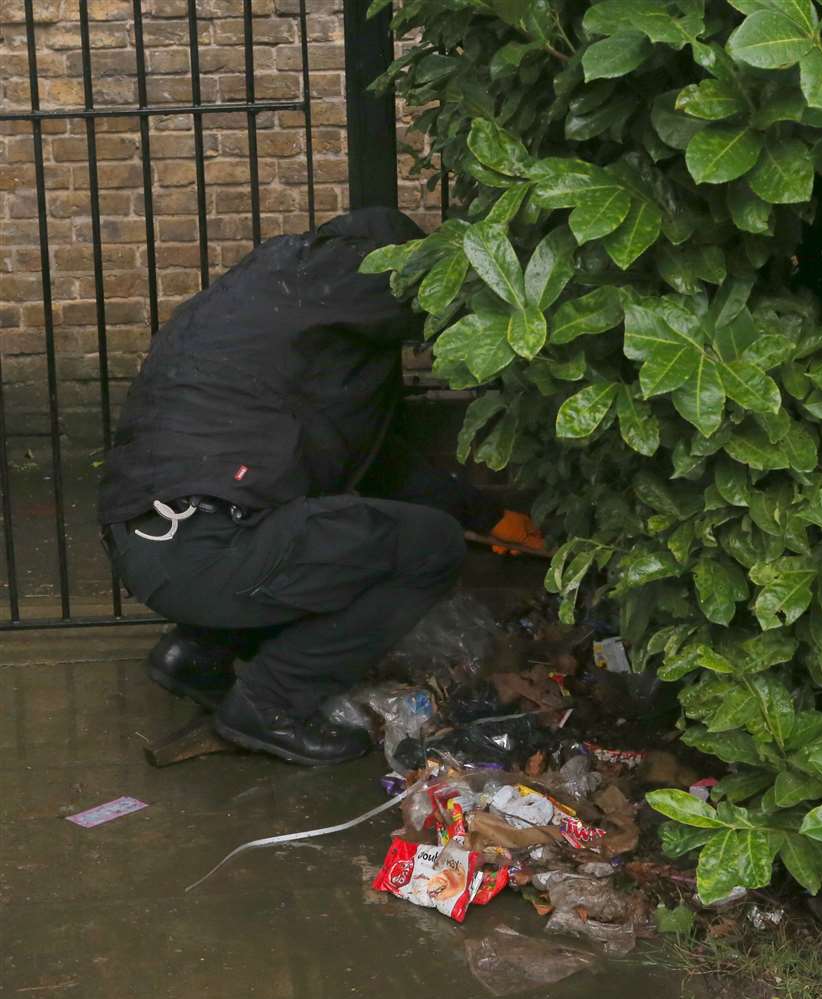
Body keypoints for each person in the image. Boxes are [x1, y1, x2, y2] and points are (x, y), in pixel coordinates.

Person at [98, 208, 540, 766]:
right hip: (208, 549)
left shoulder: (265, 299)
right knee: (430, 546)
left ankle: (196, 652)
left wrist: (484, 514)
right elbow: (379, 464)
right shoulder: (358, 296)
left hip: (147, 539)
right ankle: (270, 703)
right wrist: (474, 519)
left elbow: (358, 456)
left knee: (319, 528)